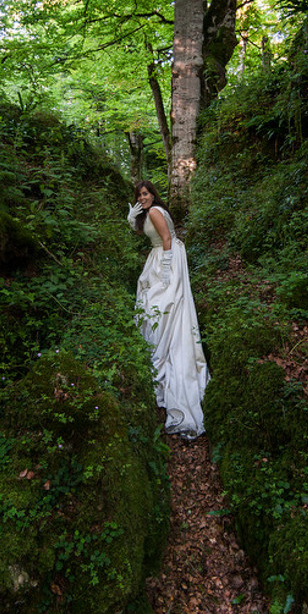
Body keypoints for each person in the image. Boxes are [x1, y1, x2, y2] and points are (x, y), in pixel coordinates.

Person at [127, 181, 210, 438]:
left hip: (168, 256)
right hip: (164, 254)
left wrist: (164, 273)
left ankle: (161, 352)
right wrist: (132, 219)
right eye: (139, 195)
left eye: (145, 194)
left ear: (153, 194)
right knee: (160, 304)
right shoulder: (150, 213)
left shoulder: (155, 212)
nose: (142, 198)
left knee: (161, 302)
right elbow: (147, 234)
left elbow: (165, 239)